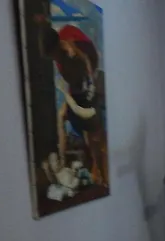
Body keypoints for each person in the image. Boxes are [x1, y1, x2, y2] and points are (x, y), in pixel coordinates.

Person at [34, 14, 108, 187]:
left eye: (52, 54)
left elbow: (86, 63)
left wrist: (90, 85)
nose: (53, 59)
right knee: (62, 116)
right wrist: (42, 23)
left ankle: (102, 175)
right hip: (77, 90)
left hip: (86, 91)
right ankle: (62, 161)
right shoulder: (60, 54)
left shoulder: (71, 51)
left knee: (92, 137)